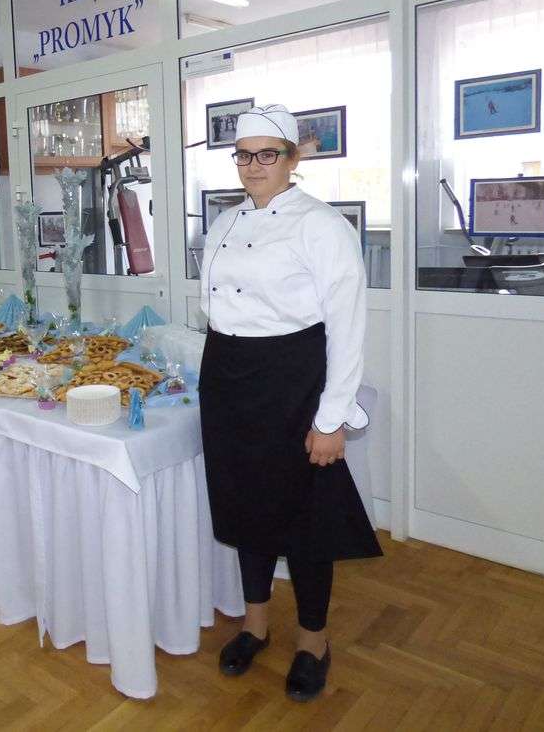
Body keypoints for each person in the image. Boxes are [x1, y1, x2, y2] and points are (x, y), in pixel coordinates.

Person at [198, 104, 382, 703]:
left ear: (291, 158)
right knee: (243, 506)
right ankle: (255, 625)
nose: (253, 165)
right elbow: (216, 308)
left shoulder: (322, 226)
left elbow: (347, 327)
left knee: (304, 518)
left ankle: (313, 640)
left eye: (267, 154)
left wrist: (330, 419)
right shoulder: (223, 224)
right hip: (228, 376)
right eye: (243, 155)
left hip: (292, 378)